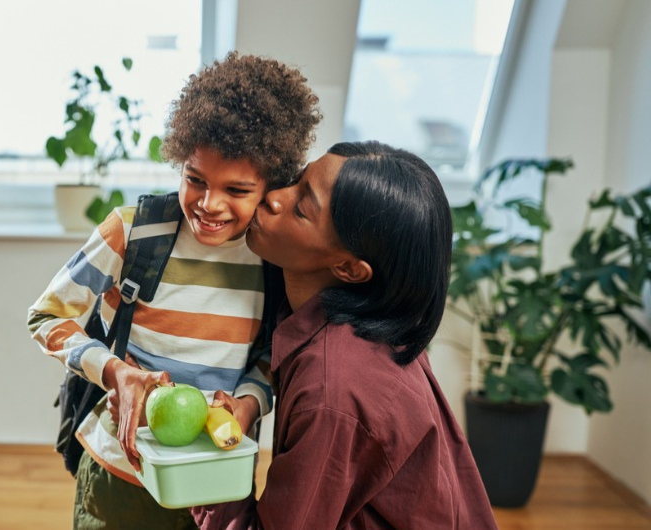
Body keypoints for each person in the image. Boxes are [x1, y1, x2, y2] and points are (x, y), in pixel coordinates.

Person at [27, 52, 321, 530]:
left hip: (217, 480)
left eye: (237, 190)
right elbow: (45, 318)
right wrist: (115, 372)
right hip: (120, 477)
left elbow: (275, 354)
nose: (209, 205)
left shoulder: (273, 259)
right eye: (195, 180)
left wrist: (247, 404)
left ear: (272, 185)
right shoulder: (133, 232)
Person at [190, 141, 499, 529]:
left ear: (350, 269)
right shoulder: (369, 323)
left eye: (301, 207)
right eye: (298, 181)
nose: (273, 198)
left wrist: (203, 462)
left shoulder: (332, 389)